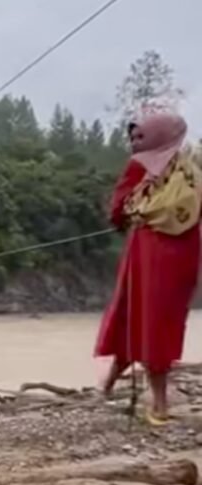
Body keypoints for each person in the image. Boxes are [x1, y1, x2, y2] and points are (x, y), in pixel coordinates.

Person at [95, 111, 202, 425]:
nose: (134, 143)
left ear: (159, 136)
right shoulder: (191, 169)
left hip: (148, 253)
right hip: (185, 254)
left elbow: (117, 211)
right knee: (166, 320)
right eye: (134, 137)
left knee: (135, 317)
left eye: (140, 136)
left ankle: (152, 402)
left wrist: (128, 216)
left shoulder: (140, 166)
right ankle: (134, 392)